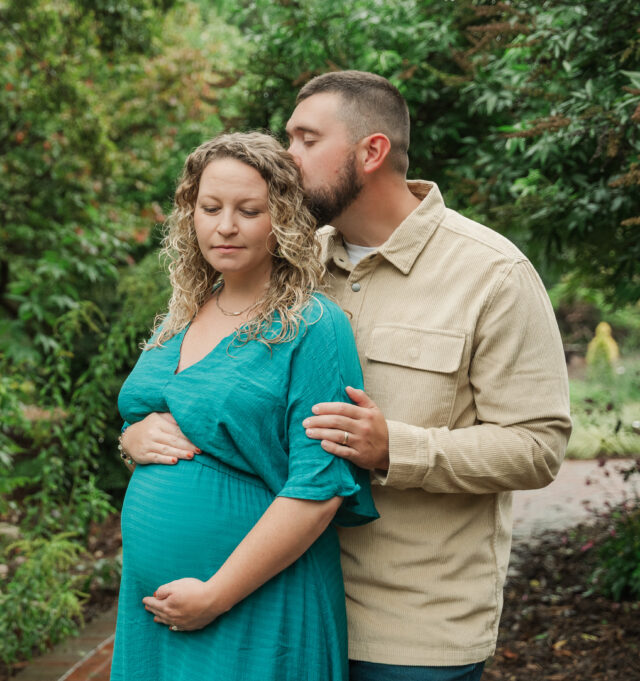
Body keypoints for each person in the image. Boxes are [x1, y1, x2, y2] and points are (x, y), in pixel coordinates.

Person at [123, 72, 573, 681]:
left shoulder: (491, 274)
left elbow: (538, 447)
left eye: (306, 139)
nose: (287, 156)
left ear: (372, 151)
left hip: (405, 625)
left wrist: (397, 447)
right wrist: (138, 434)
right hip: (276, 593)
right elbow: (220, 395)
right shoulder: (289, 262)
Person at [111, 131, 378, 681]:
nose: (225, 226)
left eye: (248, 210)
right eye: (210, 208)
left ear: (282, 219)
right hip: (156, 616)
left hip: (256, 605)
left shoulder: (313, 326)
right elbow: (157, 420)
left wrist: (214, 595)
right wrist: (130, 439)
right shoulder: (181, 313)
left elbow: (319, 489)